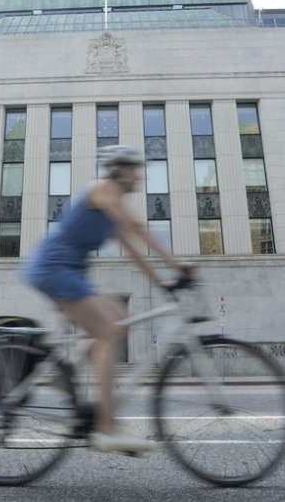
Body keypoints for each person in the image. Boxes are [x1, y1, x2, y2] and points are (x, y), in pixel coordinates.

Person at [23, 145, 193, 453]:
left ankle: (65, 371)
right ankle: (107, 427)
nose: (139, 176)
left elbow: (133, 250)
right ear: (121, 170)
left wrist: (162, 282)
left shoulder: (110, 208)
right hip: (53, 268)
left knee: (118, 316)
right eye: (135, 170)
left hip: (69, 271)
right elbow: (137, 228)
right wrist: (177, 263)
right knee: (108, 331)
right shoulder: (102, 190)